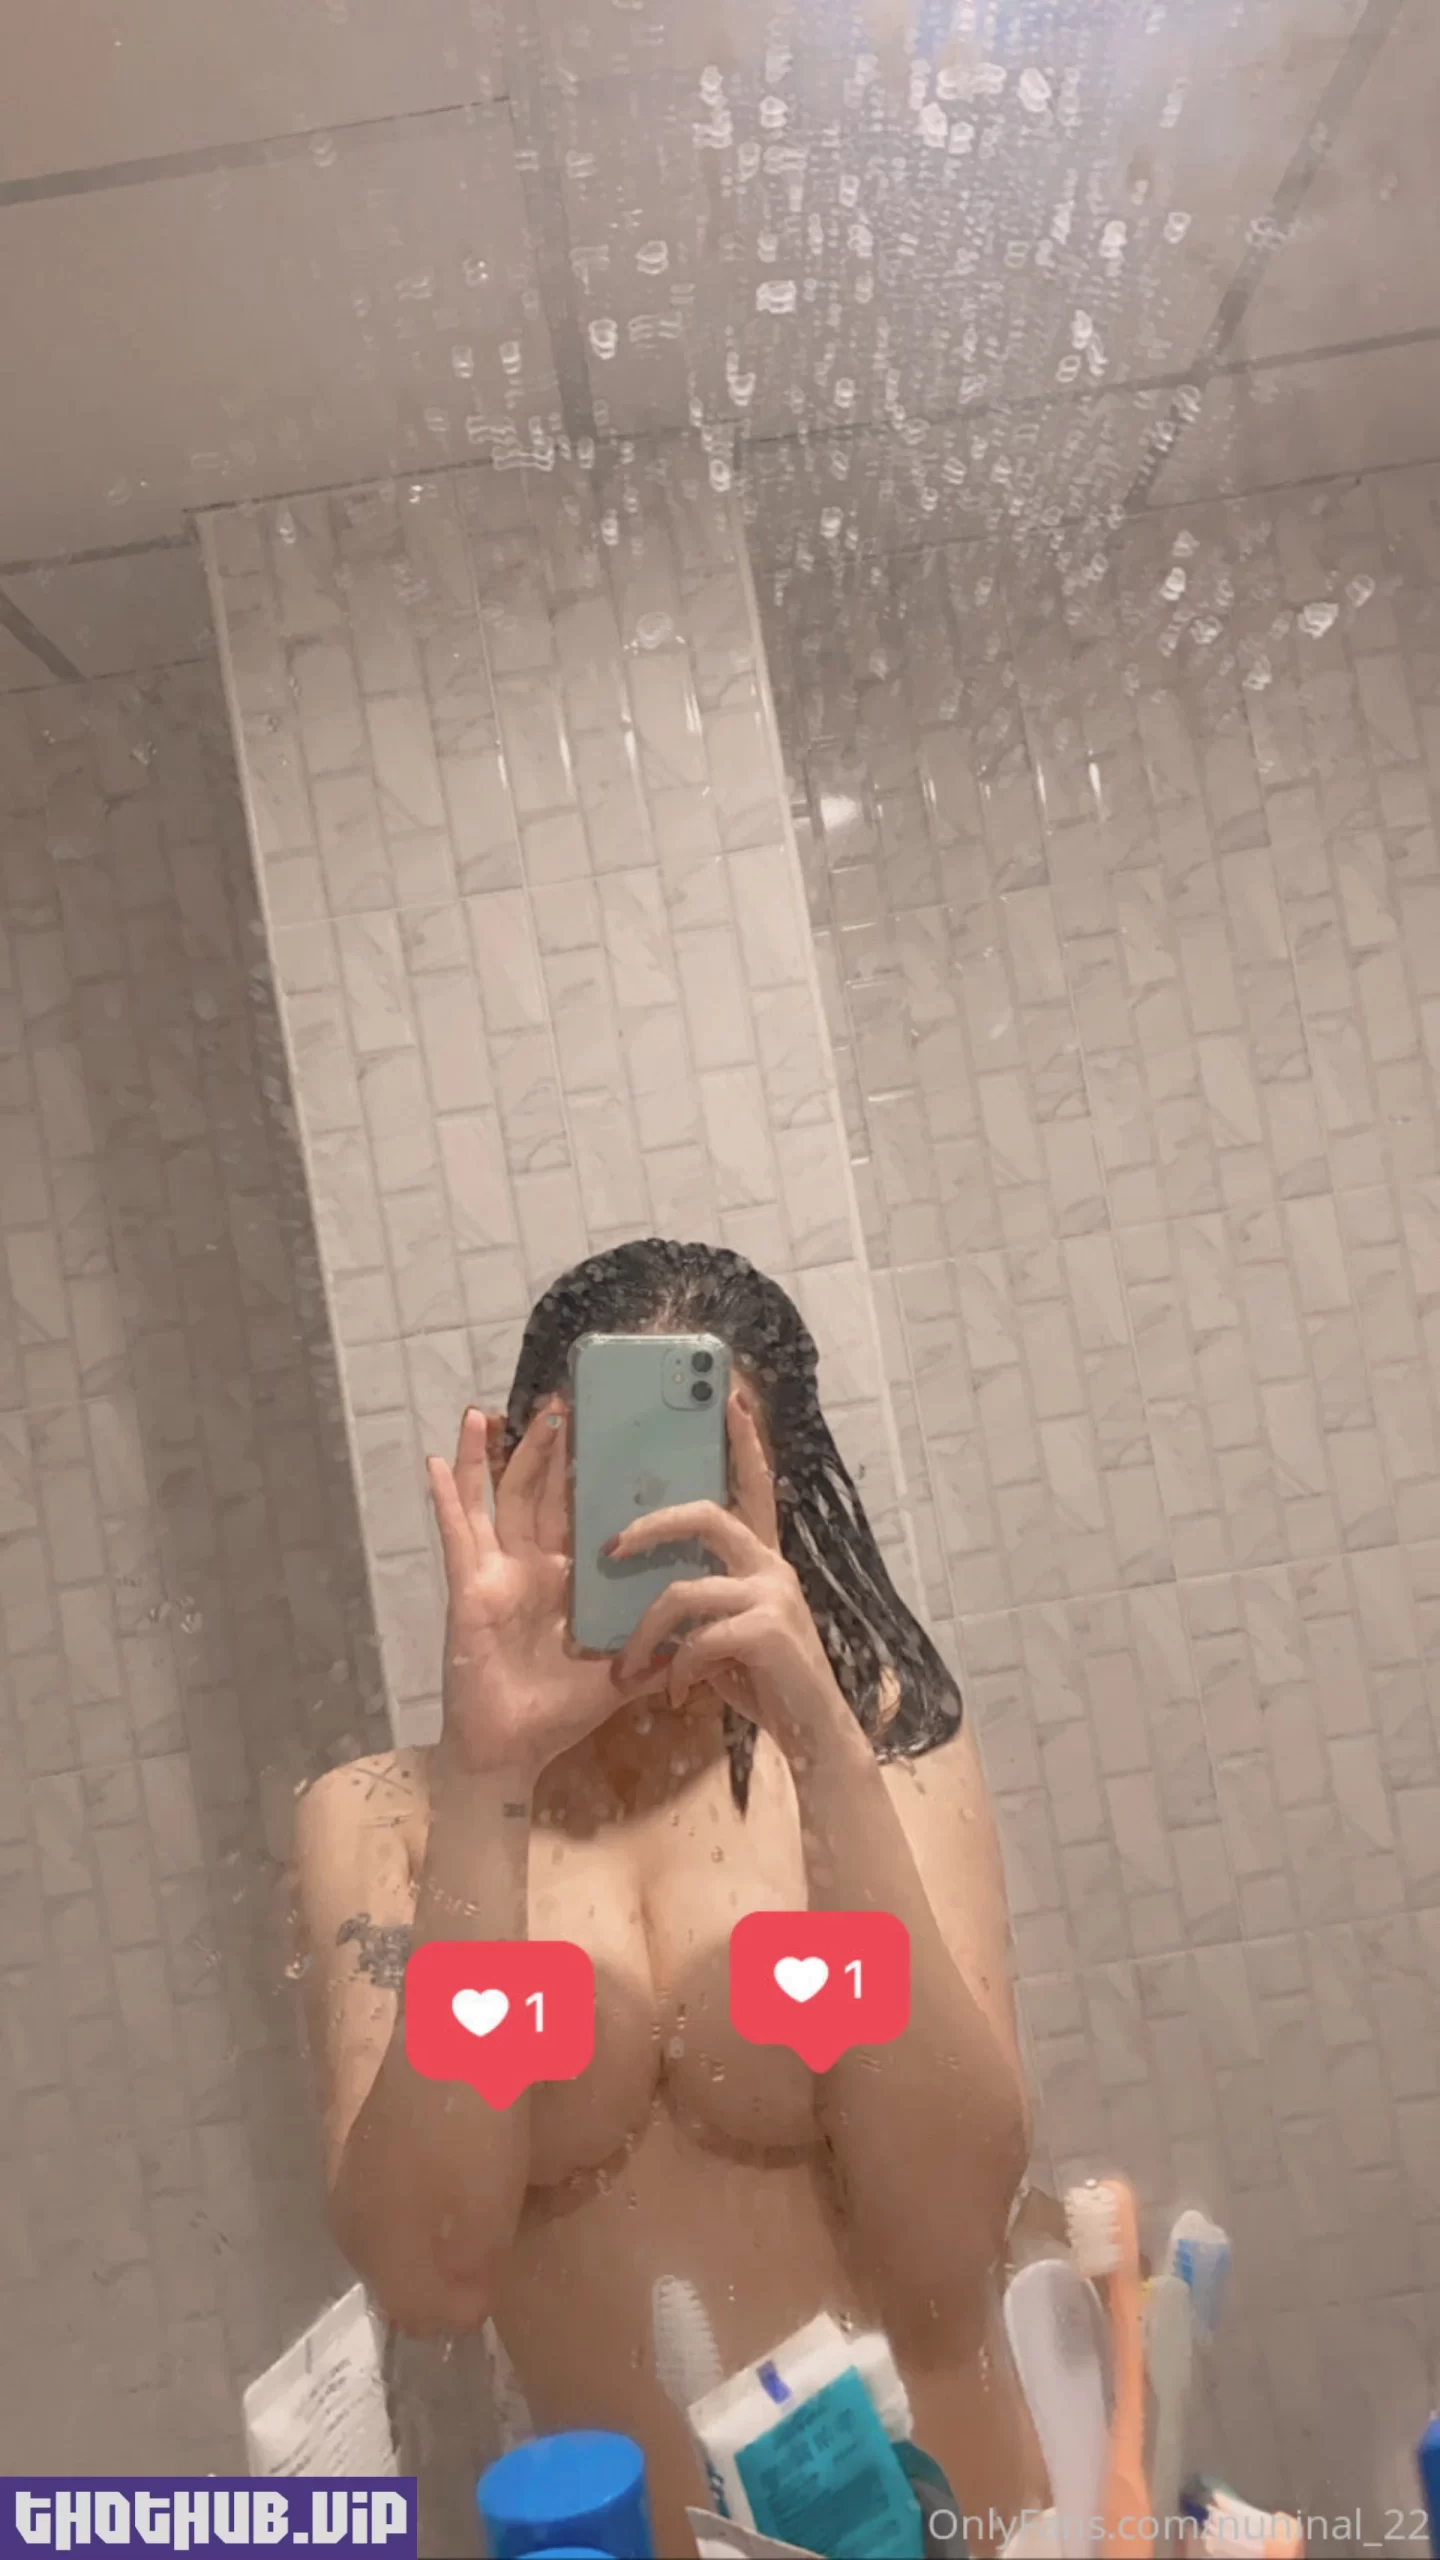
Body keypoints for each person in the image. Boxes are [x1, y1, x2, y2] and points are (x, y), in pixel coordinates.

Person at [295, 1240, 1042, 2555]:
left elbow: (949, 2238)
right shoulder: (392, 1819)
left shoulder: (883, 1754)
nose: (647, 1532)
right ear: (518, 1475)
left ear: (778, 1498)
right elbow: (429, 2275)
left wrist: (821, 1750)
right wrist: (491, 1777)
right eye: (605, 1485)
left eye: (700, 1486)